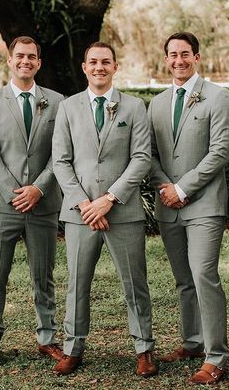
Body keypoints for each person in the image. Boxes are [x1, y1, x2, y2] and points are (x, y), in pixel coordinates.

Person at [51, 41, 156, 377]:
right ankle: (72, 348)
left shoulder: (135, 107)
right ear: (84, 67)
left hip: (122, 211)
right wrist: (84, 203)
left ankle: (144, 349)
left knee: (134, 282)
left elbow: (142, 158)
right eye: (93, 62)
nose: (99, 67)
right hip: (80, 214)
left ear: (115, 67)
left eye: (106, 62)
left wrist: (109, 198)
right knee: (77, 283)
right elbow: (61, 161)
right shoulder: (67, 108)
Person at [148, 32, 229, 384]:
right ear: (166, 59)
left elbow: (220, 151)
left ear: (196, 57)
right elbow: (148, 154)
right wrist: (166, 188)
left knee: (203, 275)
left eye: (185, 54)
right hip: (167, 204)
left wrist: (183, 187)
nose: (179, 60)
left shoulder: (218, 96)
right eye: (173, 54)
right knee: (184, 279)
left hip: (204, 204)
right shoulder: (155, 103)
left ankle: (217, 356)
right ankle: (192, 342)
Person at [0, 36, 64, 366]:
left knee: (44, 275)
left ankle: (47, 338)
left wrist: (38, 188)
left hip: (43, 202)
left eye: (32, 57)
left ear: (39, 63)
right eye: (19, 56)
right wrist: (15, 190)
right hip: (3, 204)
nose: (25, 61)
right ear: (9, 61)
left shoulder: (57, 101)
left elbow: (61, 152)